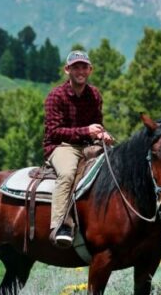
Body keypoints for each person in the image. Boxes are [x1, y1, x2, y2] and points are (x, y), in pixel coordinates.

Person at [44, 50, 113, 248]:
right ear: (67, 70)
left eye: (84, 67)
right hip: (61, 146)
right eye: (76, 67)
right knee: (67, 174)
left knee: (115, 164)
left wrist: (102, 134)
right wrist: (87, 131)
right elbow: (54, 132)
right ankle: (59, 226)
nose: (80, 71)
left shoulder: (94, 95)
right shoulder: (55, 96)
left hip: (88, 145)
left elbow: (97, 124)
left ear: (90, 70)